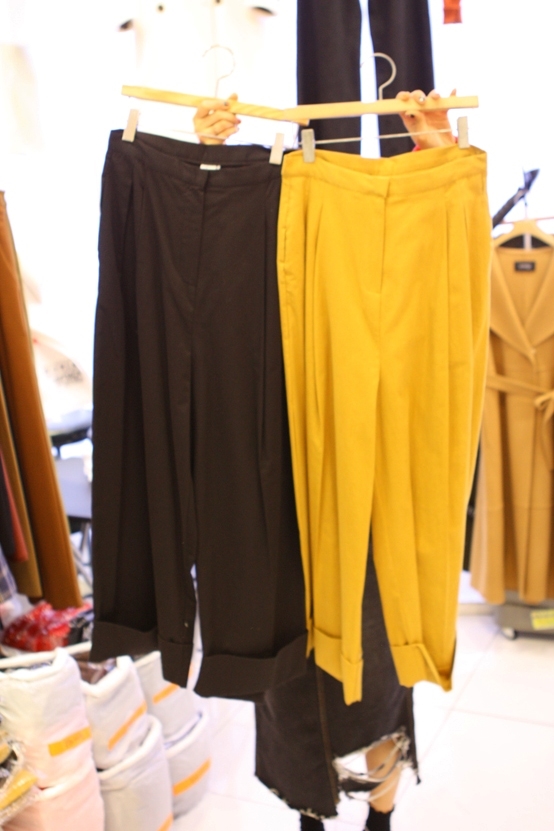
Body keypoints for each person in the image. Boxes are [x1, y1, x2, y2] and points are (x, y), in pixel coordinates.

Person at [192, 90, 457, 831]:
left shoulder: (365, 226)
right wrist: (208, 155)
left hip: (363, 476)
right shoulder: (257, 206)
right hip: (270, 479)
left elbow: (431, 259)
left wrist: (436, 154)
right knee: (287, 670)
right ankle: (310, 805)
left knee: (373, 655)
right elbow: (198, 260)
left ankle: (380, 811)